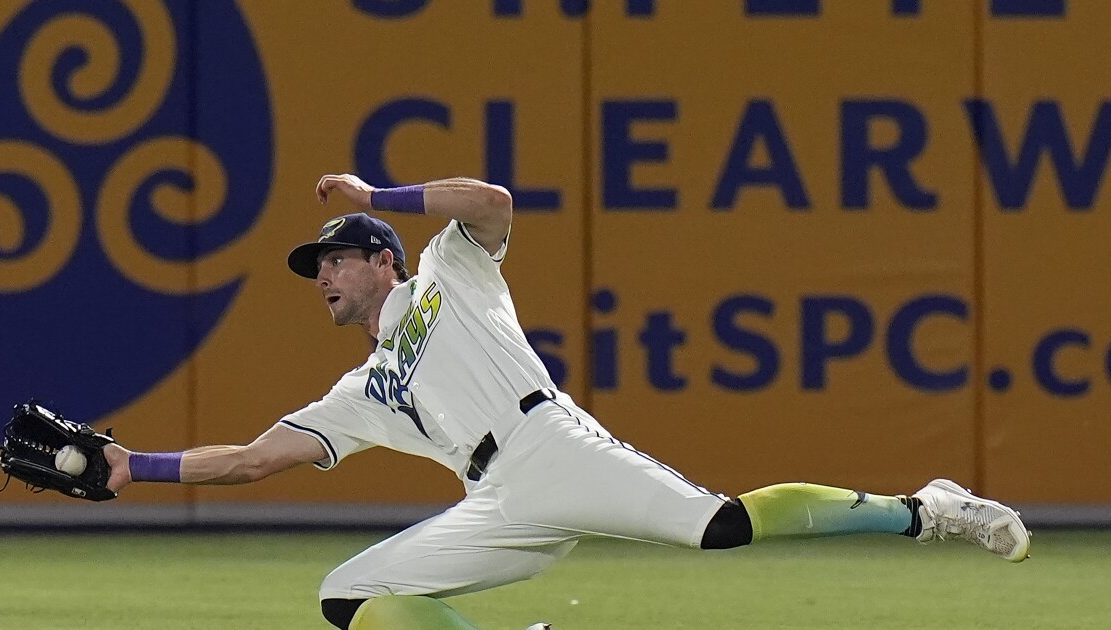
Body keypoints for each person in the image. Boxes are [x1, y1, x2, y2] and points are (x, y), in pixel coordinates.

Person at [103, 174, 1032, 630]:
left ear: (383, 257)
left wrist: (376, 192)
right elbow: (254, 458)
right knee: (347, 596)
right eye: (316, 270)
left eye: (338, 258)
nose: (324, 278)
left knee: (721, 527)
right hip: (494, 499)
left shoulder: (442, 272)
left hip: (552, 442)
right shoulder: (361, 390)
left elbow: (493, 200)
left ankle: (927, 510)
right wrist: (126, 465)